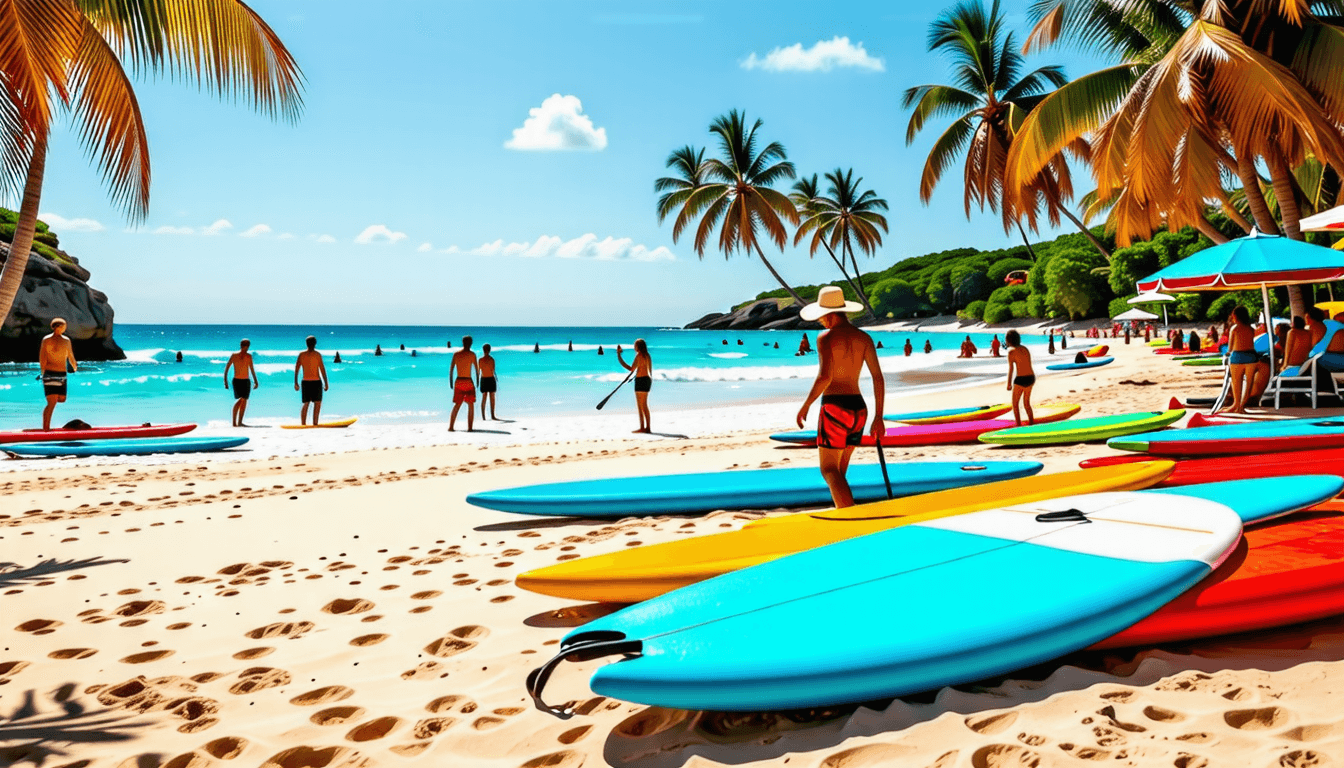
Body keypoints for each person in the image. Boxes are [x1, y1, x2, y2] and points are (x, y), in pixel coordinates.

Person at [794, 287, 885, 508]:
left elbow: (825, 376)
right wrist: (878, 417)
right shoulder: (864, 338)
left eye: (821, 317)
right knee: (840, 470)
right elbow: (878, 378)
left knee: (828, 470)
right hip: (858, 409)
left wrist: (805, 405)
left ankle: (850, 517)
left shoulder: (826, 337)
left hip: (835, 407)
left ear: (830, 314)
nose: (820, 322)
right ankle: (843, 509)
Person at [38, 317, 77, 430]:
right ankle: (46, 429)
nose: (65, 328)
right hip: (53, 373)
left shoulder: (63, 340)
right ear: (59, 327)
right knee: (52, 403)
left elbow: (70, 355)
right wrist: (43, 372)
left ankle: (46, 428)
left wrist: (74, 366)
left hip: (57, 374)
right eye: (64, 326)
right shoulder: (51, 340)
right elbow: (43, 357)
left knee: (61, 399)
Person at [1220, 306, 1257, 414]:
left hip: (1238, 357)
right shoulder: (1251, 328)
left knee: (1236, 383)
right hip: (1251, 356)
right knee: (1249, 384)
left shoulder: (1234, 328)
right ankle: (1242, 406)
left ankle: (1235, 404)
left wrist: (1226, 352)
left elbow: (1230, 347)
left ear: (1235, 316)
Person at [617, 339, 653, 433]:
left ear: (638, 346)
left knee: (640, 406)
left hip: (640, 380)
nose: (634, 347)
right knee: (645, 405)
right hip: (647, 380)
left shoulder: (639, 355)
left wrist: (619, 356)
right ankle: (648, 428)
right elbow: (650, 371)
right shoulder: (648, 355)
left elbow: (631, 368)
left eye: (635, 345)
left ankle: (642, 427)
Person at [293, 335, 329, 425]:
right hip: (314, 382)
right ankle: (309, 424)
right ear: (315, 344)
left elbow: (296, 369)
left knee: (310, 403)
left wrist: (296, 382)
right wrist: (326, 383)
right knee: (312, 403)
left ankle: (308, 424)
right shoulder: (316, 355)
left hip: (308, 382)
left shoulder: (302, 354)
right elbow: (322, 370)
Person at [224, 339, 259, 427]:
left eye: (247, 345)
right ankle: (234, 422)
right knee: (241, 400)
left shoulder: (249, 356)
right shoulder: (234, 355)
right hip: (237, 381)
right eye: (245, 345)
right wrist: (225, 381)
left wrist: (256, 381)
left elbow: (251, 369)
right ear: (243, 346)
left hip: (246, 381)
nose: (246, 347)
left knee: (244, 401)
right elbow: (227, 368)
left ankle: (239, 422)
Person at [1004, 329, 1035, 426]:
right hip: (1031, 378)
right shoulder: (1025, 348)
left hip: (1021, 379)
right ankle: (1031, 423)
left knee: (1015, 405)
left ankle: (1018, 425)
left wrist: (1009, 383)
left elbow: (1011, 369)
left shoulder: (1011, 352)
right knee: (1027, 404)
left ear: (1008, 340)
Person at [449, 335, 478, 432]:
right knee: (470, 405)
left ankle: (451, 427)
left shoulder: (456, 354)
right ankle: (470, 428)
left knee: (457, 404)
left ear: (462, 343)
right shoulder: (472, 354)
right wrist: (477, 380)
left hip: (459, 381)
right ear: (471, 343)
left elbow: (451, 369)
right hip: (467, 381)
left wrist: (451, 381)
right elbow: (477, 370)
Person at [479, 343, 498, 420]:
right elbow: (493, 370)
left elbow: (478, 371)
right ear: (489, 350)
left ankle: (483, 417)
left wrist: (477, 381)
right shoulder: (492, 359)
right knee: (491, 398)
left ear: (483, 350)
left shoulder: (480, 360)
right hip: (490, 378)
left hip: (484, 379)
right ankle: (492, 416)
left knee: (484, 397)